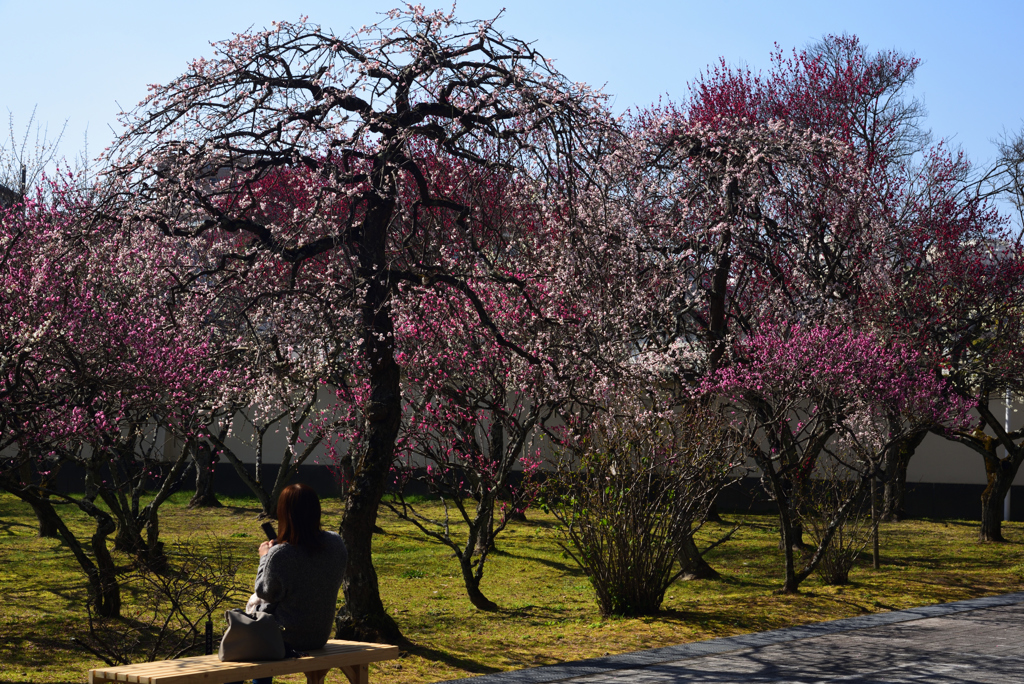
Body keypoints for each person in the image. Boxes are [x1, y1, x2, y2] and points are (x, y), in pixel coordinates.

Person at [231, 483, 347, 684]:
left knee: (238, 652)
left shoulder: (281, 554)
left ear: (285, 514)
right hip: (319, 634)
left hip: (284, 638)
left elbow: (264, 591)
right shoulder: (335, 543)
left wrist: (265, 558)